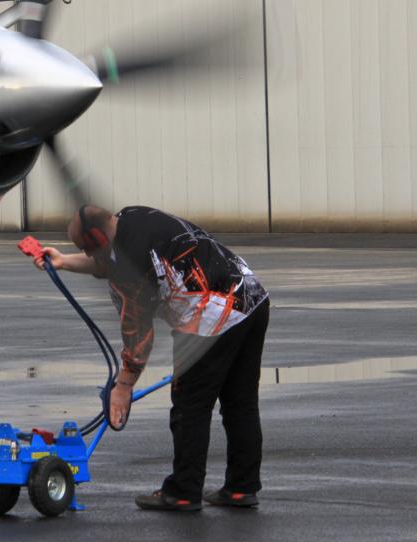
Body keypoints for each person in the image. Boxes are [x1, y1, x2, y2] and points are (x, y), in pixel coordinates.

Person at [34, 205, 270, 512]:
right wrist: (64, 261)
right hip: (252, 297)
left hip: (212, 316)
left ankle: (183, 492)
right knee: (240, 403)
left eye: (84, 248)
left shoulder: (129, 264)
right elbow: (108, 261)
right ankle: (241, 487)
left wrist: (123, 386)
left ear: (97, 239)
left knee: (190, 406)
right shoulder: (129, 218)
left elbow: (138, 337)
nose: (85, 253)